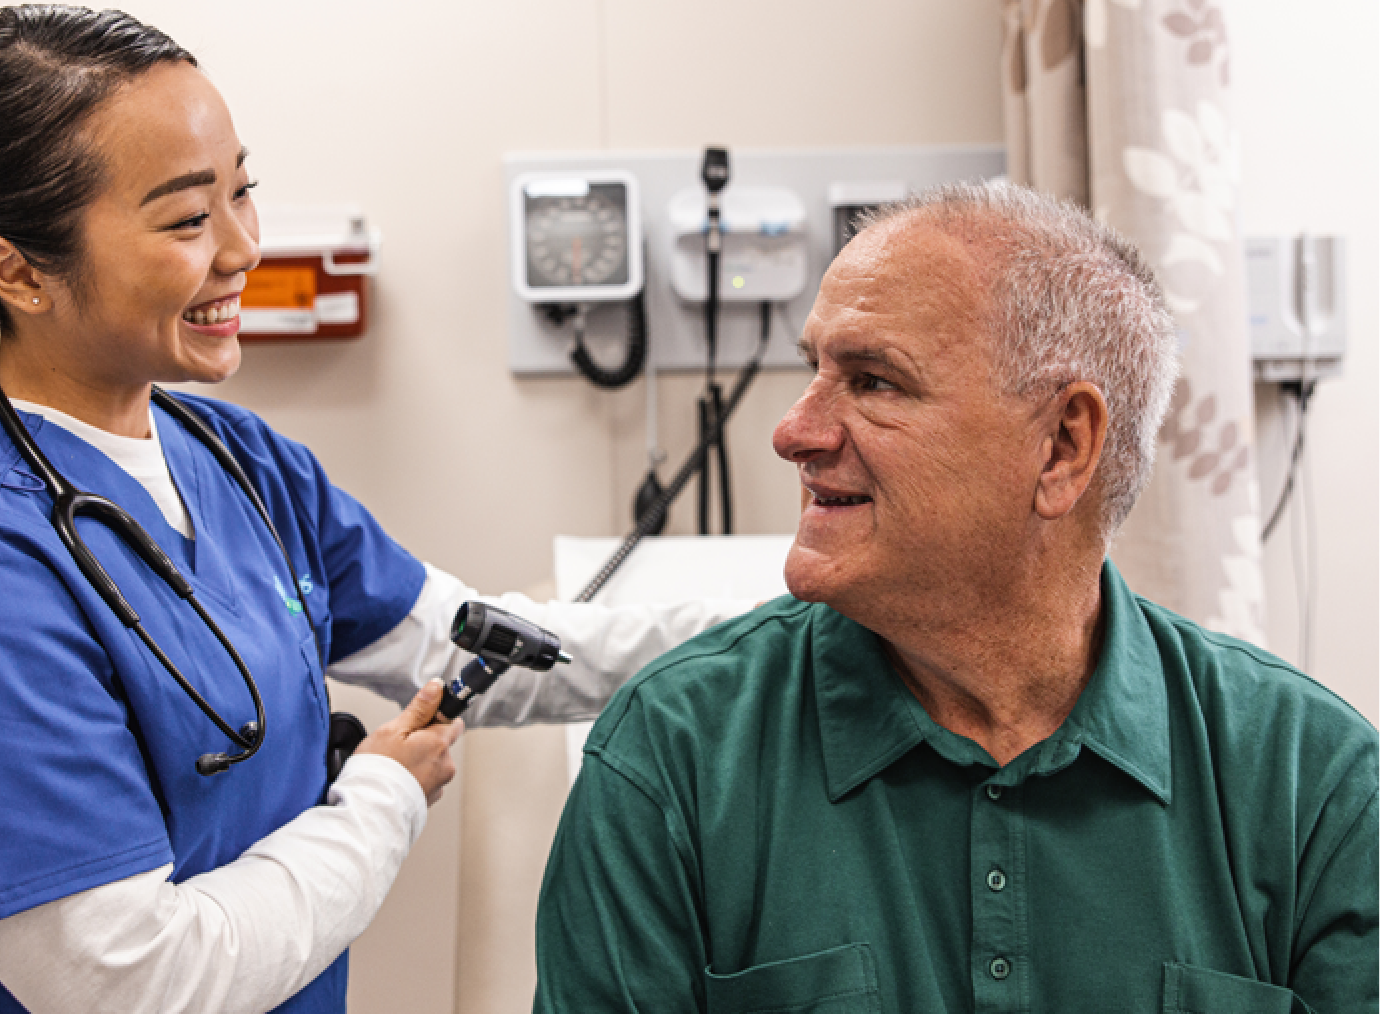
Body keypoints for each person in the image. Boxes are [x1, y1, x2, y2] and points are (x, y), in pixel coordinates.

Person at [0, 8, 747, 1014]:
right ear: (16, 270)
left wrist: (768, 635)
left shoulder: (235, 459)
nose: (241, 248)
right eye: (185, 219)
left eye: (241, 192)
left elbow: (459, 642)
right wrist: (381, 799)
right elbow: (134, 983)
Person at [533, 182, 1380, 1013]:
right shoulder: (674, 757)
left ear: (1061, 446)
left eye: (872, 382)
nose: (793, 431)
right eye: (815, 371)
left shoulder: (1314, 787)